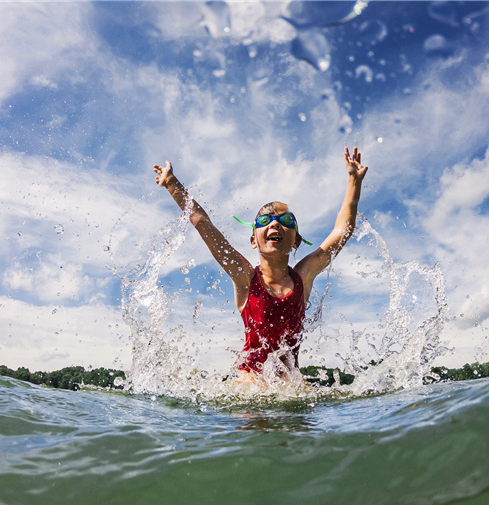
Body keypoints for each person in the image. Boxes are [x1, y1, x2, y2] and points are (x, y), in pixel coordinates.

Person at [153, 147, 368, 382]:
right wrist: (172, 184)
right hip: (249, 385)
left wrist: (353, 181)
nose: (274, 224)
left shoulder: (303, 277)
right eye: (265, 220)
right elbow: (204, 225)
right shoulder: (245, 277)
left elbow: (341, 232)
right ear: (254, 240)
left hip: (289, 385)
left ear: (295, 240)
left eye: (285, 220)